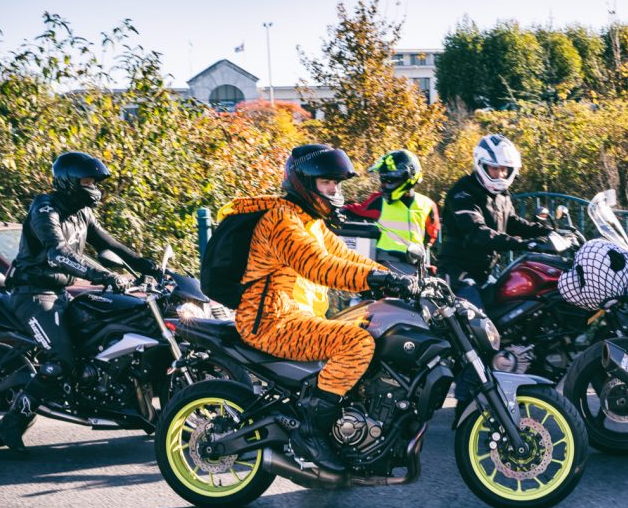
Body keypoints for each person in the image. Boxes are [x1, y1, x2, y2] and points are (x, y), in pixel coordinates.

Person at [231, 144, 417, 472]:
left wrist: (398, 279)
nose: (334, 190)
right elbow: (318, 266)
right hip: (272, 321)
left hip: (298, 316)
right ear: (304, 182)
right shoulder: (282, 220)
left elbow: (345, 258)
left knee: (370, 328)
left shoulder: (311, 221)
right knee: (356, 343)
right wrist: (377, 280)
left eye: (336, 183)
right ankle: (312, 433)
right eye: (326, 183)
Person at [0, 151, 160, 453]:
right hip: (33, 294)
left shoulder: (83, 212)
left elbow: (109, 244)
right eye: (87, 180)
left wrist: (148, 265)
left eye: (96, 180)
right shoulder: (44, 208)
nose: (94, 186)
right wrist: (106, 275)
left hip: (62, 293)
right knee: (61, 363)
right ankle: (11, 423)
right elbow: (56, 252)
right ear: (68, 181)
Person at [438, 134, 553, 412]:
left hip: (484, 274)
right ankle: (465, 399)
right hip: (459, 274)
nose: (500, 174)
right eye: (494, 168)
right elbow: (477, 233)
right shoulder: (462, 192)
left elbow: (512, 223)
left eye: (505, 169)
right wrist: (521, 243)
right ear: (481, 165)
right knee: (479, 333)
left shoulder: (501, 195)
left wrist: (547, 232)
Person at [341, 149, 440, 272]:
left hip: (416, 264)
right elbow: (357, 210)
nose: (385, 184)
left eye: (391, 179)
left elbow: (431, 235)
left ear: (408, 176)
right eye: (383, 179)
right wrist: (335, 210)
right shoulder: (379, 201)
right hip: (387, 263)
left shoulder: (428, 204)